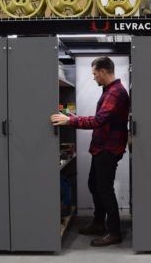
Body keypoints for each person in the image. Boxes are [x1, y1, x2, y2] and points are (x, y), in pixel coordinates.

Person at [50, 57, 130, 247]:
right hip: (102, 147)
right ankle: (98, 223)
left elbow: (98, 120)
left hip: (108, 149)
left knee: (104, 189)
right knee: (94, 184)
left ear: (103, 71)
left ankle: (114, 231)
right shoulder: (110, 91)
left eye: (94, 73)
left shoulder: (116, 93)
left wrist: (70, 121)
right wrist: (75, 118)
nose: (93, 78)